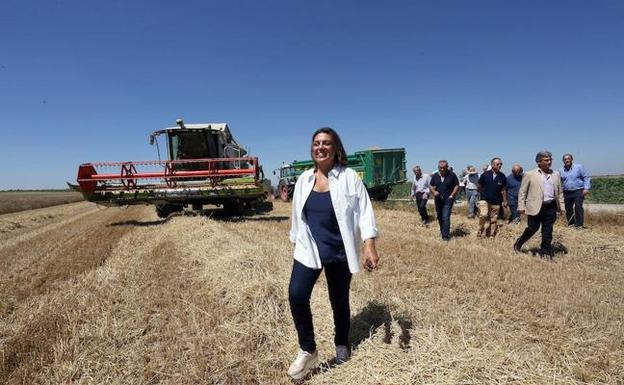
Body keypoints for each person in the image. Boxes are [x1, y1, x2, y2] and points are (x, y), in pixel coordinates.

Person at [287, 127, 380, 380]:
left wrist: (369, 244)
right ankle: (308, 349)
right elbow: (297, 217)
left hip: (339, 251)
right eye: (316, 142)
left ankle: (341, 342)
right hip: (309, 250)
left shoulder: (349, 177)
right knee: (296, 295)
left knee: (338, 300)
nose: (320, 147)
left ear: (336, 148)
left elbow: (364, 211)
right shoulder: (304, 180)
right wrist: (295, 241)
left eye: (326, 143)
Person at [514, 151, 562, 259]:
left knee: (547, 231)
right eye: (546, 160)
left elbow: (559, 192)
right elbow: (522, 192)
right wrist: (521, 207)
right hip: (535, 206)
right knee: (532, 228)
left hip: (550, 206)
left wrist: (561, 207)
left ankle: (545, 252)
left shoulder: (556, 174)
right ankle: (519, 242)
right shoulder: (530, 174)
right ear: (538, 162)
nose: (549, 162)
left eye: (550, 160)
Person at [477, 157, 508, 237]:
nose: (500, 165)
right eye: (498, 164)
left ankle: (490, 235)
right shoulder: (485, 174)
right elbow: (479, 186)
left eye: (501, 164)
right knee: (483, 215)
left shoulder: (502, 176)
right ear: (492, 164)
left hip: (496, 201)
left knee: (493, 220)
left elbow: (503, 190)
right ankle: (480, 231)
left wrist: (504, 200)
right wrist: (482, 195)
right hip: (484, 200)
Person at [429, 160, 459, 241]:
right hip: (438, 200)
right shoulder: (435, 176)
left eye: (444, 168)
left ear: (447, 167)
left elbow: (456, 185)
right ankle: (443, 231)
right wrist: (434, 191)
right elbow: (431, 185)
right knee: (439, 217)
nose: (442, 169)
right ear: (438, 167)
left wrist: (452, 195)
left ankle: (445, 236)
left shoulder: (452, 175)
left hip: (448, 199)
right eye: (440, 168)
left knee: (445, 217)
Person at [559, 154, 591, 229]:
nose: (567, 160)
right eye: (565, 159)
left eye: (568, 158)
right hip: (567, 191)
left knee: (578, 207)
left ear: (571, 159)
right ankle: (571, 224)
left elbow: (586, 177)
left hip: (578, 190)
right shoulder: (560, 170)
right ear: (563, 161)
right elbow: (559, 181)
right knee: (568, 208)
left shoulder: (579, 167)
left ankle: (579, 225)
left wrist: (586, 188)